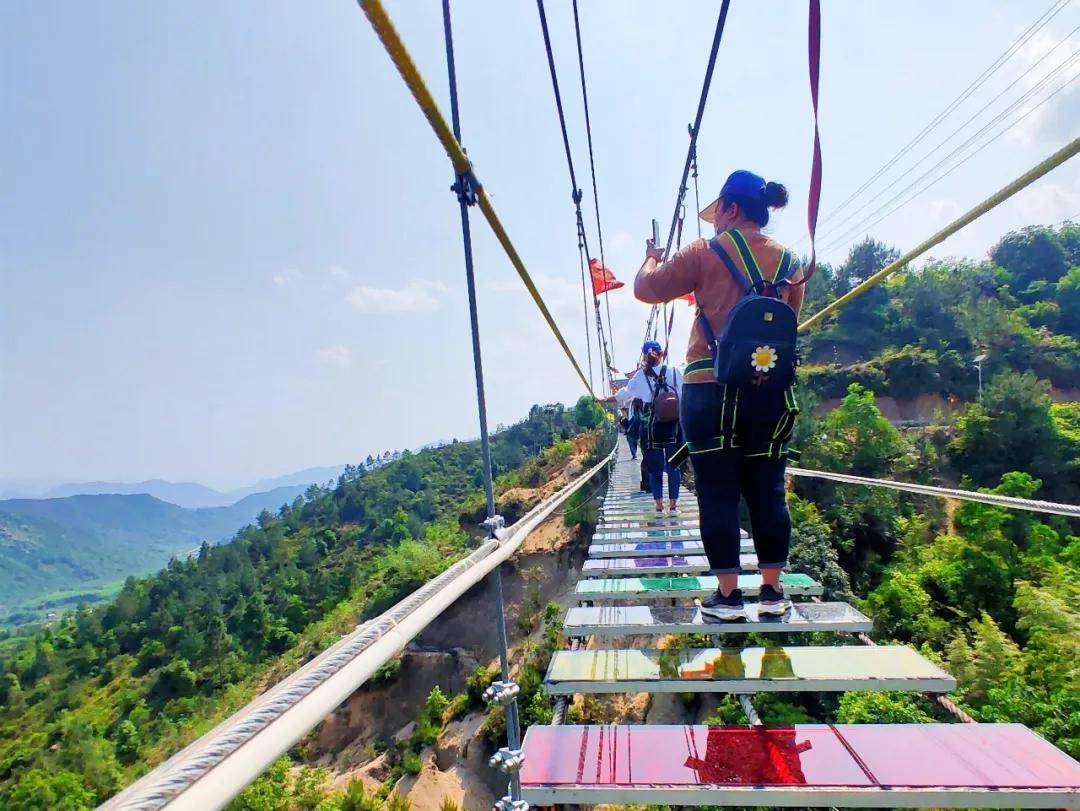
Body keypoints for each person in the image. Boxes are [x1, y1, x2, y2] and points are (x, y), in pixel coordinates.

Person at [634, 170, 805, 620]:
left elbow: (646, 290)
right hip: (769, 391)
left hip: (709, 389)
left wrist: (650, 260)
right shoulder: (791, 263)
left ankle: (728, 597)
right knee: (768, 489)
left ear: (731, 209)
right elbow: (789, 322)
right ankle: (772, 592)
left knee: (716, 491)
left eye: (717, 213)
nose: (713, 223)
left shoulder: (704, 252)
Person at [616, 341, 683, 514]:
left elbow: (625, 394)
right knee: (674, 465)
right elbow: (683, 395)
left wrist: (613, 396)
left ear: (644, 356)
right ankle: (674, 506)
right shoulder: (675, 371)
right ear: (661, 353)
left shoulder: (639, 376)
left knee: (654, 467)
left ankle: (659, 506)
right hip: (674, 426)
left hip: (651, 427)